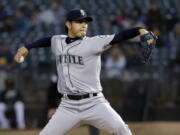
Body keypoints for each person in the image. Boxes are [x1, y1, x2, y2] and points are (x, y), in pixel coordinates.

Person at [14, 9, 155, 135]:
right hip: (67, 106)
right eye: (79, 22)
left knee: (122, 130)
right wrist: (27, 47)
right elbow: (48, 40)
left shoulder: (93, 43)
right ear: (68, 24)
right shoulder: (58, 41)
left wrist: (140, 30)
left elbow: (120, 36)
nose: (84, 25)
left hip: (94, 103)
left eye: (85, 22)